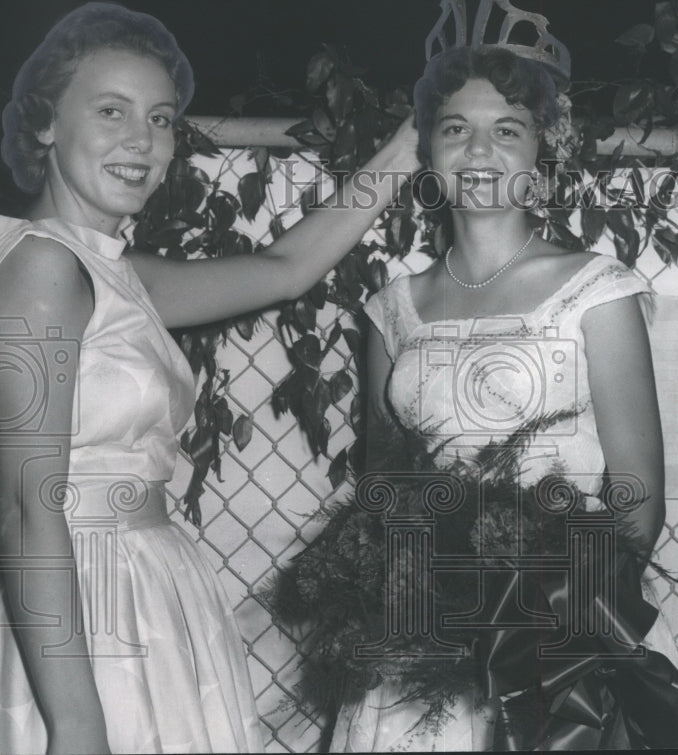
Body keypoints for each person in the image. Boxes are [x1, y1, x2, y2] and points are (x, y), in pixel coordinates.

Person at [0, 3, 418, 753]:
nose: (143, 139)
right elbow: (27, 508)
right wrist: (75, 721)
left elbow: (283, 268)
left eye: (160, 118)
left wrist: (418, 135)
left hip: (148, 588)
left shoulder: (110, 270)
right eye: (111, 111)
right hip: (84, 613)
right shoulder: (41, 268)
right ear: (42, 125)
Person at [325, 44, 678, 750]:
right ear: (428, 149)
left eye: (508, 129)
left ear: (541, 149)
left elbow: (638, 496)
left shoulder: (596, 290)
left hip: (562, 631)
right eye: (456, 128)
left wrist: (565, 630)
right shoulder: (392, 308)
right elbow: (384, 486)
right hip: (423, 632)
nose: (480, 149)